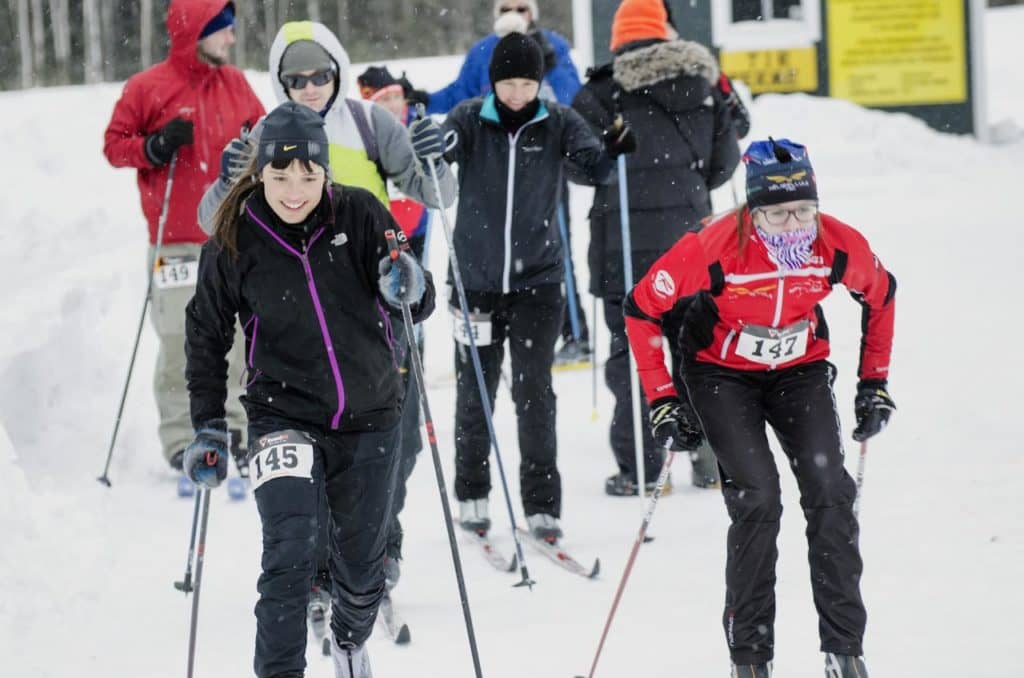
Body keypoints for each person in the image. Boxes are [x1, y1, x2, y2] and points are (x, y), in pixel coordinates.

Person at [196, 20, 456, 608]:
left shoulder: (371, 123)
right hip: (301, 314)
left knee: (399, 444)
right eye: (296, 79)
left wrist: (438, 162)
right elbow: (217, 222)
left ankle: (377, 549)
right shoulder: (268, 136)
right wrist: (221, 180)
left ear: (338, 71)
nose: (310, 88)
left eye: (320, 75)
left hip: (378, 307)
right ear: (280, 82)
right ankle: (319, 564)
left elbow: (432, 192)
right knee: (314, 453)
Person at [624, 137, 895, 678]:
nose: (794, 226)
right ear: (753, 210)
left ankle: (844, 649)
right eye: (777, 215)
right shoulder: (712, 245)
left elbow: (882, 295)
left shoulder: (836, 244)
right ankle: (750, 657)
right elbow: (640, 308)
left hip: (799, 370)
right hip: (722, 374)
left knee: (829, 492)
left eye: (805, 211)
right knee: (758, 499)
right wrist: (662, 400)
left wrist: (874, 383)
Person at [183, 101, 435, 678]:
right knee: (289, 554)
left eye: (308, 175)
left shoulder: (363, 213)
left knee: (362, 570)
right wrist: (208, 423)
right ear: (260, 173)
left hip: (371, 413)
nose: (294, 189)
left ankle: (349, 640)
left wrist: (410, 284)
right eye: (279, 175)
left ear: (326, 171)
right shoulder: (234, 235)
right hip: (281, 415)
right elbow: (206, 334)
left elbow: (420, 299)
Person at [442, 32, 634, 542]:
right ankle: (473, 492)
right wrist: (434, 149)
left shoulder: (557, 122)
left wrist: (612, 152)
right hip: (474, 284)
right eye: (509, 83)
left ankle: (542, 505)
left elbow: (592, 169)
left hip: (539, 283)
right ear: (493, 82)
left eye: (528, 83)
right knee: (474, 394)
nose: (518, 93)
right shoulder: (467, 118)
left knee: (534, 394)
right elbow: (442, 158)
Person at [571, 0, 740, 496]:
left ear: (618, 39)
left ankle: (643, 468)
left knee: (631, 354)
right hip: (692, 243)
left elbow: (579, 164)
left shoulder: (600, 91)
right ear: (666, 34)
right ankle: (710, 460)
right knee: (700, 349)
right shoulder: (703, 84)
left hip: (623, 245)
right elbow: (724, 164)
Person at [102, 0, 263, 486]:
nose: (231, 40)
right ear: (197, 32)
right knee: (178, 340)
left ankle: (232, 430)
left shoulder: (235, 83)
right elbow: (114, 145)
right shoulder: (148, 87)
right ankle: (180, 438)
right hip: (174, 241)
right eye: (223, 31)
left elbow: (263, 133)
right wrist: (153, 147)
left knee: (234, 337)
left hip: (228, 234)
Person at [404, 1, 593, 364]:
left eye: (522, 6)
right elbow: (462, 92)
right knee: (492, 246)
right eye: (507, 6)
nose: (515, 12)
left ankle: (574, 330)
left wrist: (551, 68)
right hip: (489, 159)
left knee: (553, 248)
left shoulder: (551, 43)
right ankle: (492, 336)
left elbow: (573, 97)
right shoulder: (484, 50)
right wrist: (427, 100)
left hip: (541, 158)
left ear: (532, 12)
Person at [356, 64, 433, 592]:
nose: (394, 106)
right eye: (381, 99)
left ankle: (385, 535)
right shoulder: (359, 149)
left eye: (398, 97)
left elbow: (427, 202)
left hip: (406, 304)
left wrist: (426, 154)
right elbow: (396, 215)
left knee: (404, 442)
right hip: (357, 302)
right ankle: (349, 546)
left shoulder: (401, 145)